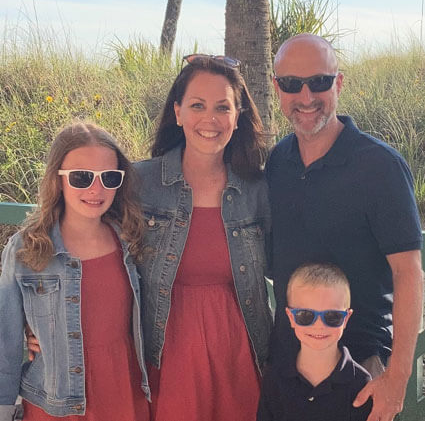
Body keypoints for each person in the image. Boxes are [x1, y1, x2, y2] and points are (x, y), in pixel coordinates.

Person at [267, 33, 423, 421]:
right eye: (291, 84)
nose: (305, 97)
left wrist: (398, 376)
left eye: (319, 81)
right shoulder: (277, 163)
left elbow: (408, 272)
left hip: (361, 370)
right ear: (277, 89)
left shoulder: (380, 167)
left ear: (339, 82)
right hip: (288, 367)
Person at [134, 54, 273, 421]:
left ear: (238, 116)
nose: (210, 119)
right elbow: (86, 252)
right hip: (162, 347)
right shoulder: (138, 183)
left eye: (222, 107)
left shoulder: (260, 189)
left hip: (241, 351)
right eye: (197, 105)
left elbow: (296, 267)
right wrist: (45, 323)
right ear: (177, 112)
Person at [0, 123, 150, 421]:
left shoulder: (131, 241)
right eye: (81, 177)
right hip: (55, 402)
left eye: (109, 177)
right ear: (58, 178)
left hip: (125, 393)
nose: (97, 189)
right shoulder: (26, 250)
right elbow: (5, 341)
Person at [257, 263, 372, 421]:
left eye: (332, 316)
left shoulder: (360, 383)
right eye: (305, 315)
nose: (319, 326)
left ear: (346, 319)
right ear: (291, 317)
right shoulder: (275, 377)